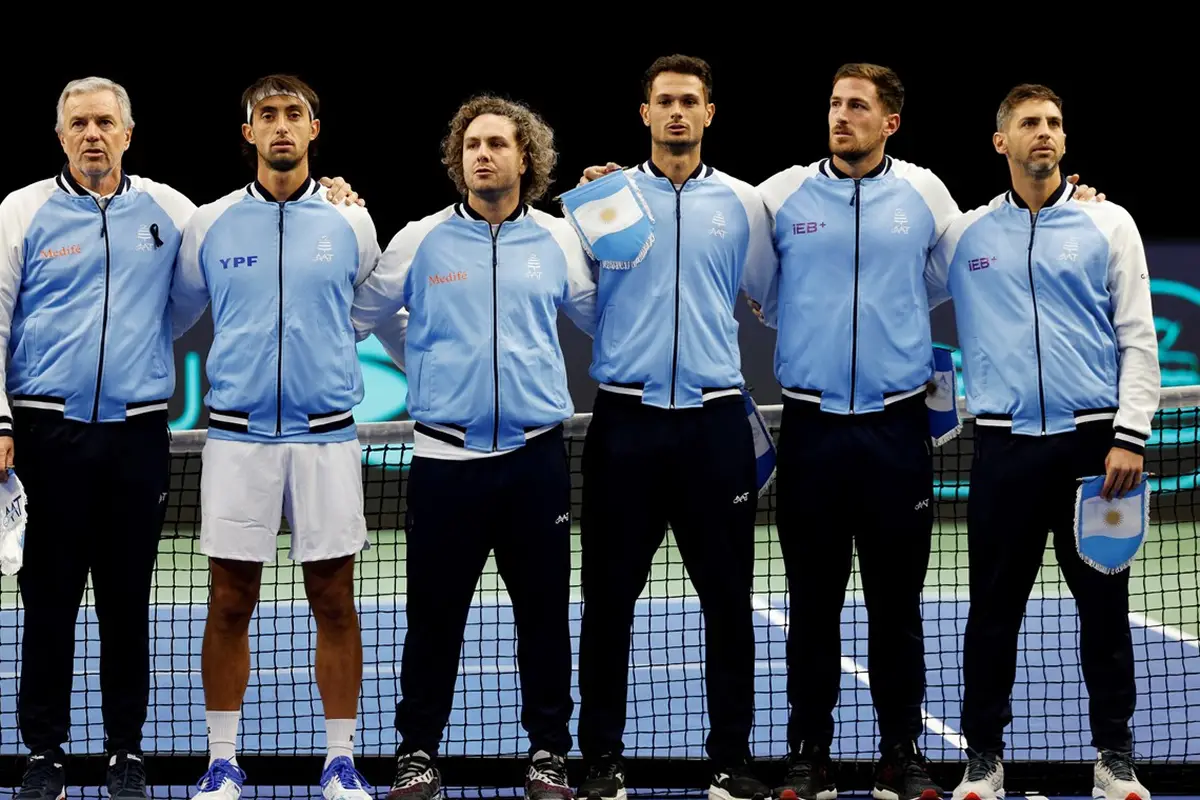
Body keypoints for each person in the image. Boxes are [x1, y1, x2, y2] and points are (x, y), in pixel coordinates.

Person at [742, 64, 1105, 800]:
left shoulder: (928, 195)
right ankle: (808, 751)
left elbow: (962, 266)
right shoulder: (777, 195)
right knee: (812, 602)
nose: (842, 116)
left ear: (891, 123)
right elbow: (754, 284)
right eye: (836, 103)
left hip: (896, 429)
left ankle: (899, 750)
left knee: (895, 603)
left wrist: (1082, 205)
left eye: (858, 107)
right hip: (810, 428)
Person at [0, 74, 352, 800]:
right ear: (61, 136)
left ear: (128, 134)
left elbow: (195, 298)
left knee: (128, 601)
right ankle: (44, 753)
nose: (92, 135)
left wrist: (336, 200)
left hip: (135, 436)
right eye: (78, 124)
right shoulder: (21, 211)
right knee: (49, 600)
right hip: (44, 433)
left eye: (105, 123)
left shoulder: (175, 212)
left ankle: (126, 752)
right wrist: (2, 417)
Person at [349, 94, 597, 800]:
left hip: (535, 462)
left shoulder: (557, 240)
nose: (482, 154)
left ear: (528, 158)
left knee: (544, 620)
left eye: (498, 143)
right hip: (444, 464)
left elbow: (605, 320)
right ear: (459, 161)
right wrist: (419, 352)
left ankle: (549, 753)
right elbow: (359, 315)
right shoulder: (419, 238)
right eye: (472, 145)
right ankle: (417, 754)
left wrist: (618, 223)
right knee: (432, 621)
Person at [924, 83, 1156, 800]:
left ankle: (1113, 757)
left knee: (1104, 613)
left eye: (1054, 122)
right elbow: (885, 283)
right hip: (1004, 452)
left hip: (1096, 455)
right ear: (1002, 142)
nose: (1044, 133)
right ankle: (983, 760)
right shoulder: (963, 236)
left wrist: (1130, 436)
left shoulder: (1109, 223)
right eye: (1029, 123)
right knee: (993, 615)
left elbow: (1137, 337)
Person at [570, 54, 778, 800]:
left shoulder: (747, 205)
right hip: (624, 424)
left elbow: (771, 294)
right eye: (665, 101)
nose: (678, 113)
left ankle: (729, 763)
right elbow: (573, 293)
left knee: (728, 603)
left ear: (710, 113)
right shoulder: (603, 198)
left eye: (691, 101)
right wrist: (624, 334)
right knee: (608, 603)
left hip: (715, 425)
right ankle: (599, 762)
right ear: (645, 114)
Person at [169, 74, 380, 800]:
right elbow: (178, 311)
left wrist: (318, 350)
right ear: (248, 132)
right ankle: (222, 760)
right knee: (229, 601)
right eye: (268, 115)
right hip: (237, 439)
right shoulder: (210, 223)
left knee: (335, 600)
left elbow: (360, 311)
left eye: (295, 114)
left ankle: (340, 760)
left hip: (327, 439)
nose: (281, 126)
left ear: (314, 129)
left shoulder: (352, 222)